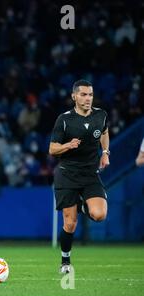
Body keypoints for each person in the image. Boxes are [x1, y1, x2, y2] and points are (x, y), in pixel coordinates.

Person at [49, 79, 110, 274]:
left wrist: (106, 152)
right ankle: (65, 261)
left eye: (90, 95)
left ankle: (84, 205)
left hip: (90, 174)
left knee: (99, 215)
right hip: (67, 174)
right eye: (83, 94)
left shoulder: (101, 115)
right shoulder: (65, 119)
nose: (87, 98)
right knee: (70, 222)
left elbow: (105, 131)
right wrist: (67, 145)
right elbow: (52, 148)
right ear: (74, 96)